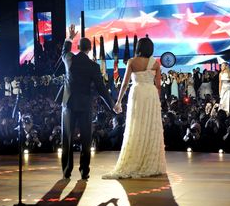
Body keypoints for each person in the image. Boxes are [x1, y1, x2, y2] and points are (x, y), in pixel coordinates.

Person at [56, 24, 115, 180]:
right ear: (89, 49)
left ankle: (66, 171)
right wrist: (112, 106)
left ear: (79, 47)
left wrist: (69, 37)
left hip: (68, 104)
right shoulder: (93, 66)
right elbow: (102, 89)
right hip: (84, 105)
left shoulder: (69, 59)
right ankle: (84, 172)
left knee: (67, 138)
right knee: (86, 139)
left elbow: (64, 51)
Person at [102, 37, 166, 179]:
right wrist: (158, 100)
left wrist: (118, 101)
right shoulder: (155, 63)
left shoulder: (132, 62)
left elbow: (124, 84)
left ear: (138, 47)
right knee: (150, 127)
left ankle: (135, 159)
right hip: (151, 95)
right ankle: (149, 162)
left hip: (137, 94)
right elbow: (159, 85)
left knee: (136, 126)